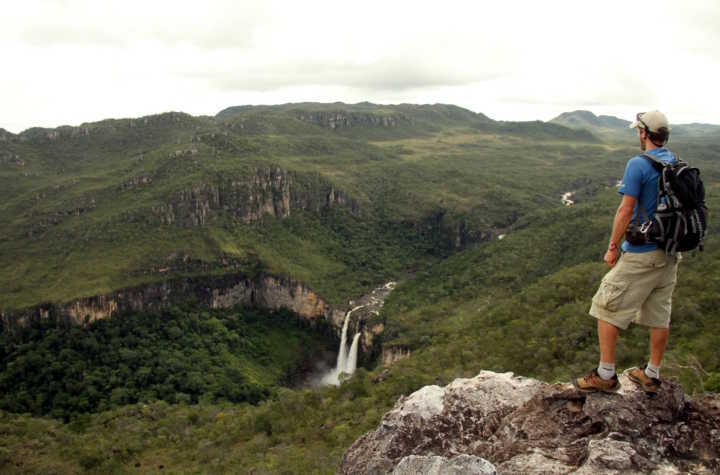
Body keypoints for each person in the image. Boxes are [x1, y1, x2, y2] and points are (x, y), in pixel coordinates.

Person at [574, 110, 680, 394]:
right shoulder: (675, 162)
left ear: (644, 133)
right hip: (670, 253)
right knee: (659, 313)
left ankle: (606, 375)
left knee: (605, 306)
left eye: (638, 130)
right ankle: (652, 374)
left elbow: (625, 210)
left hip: (642, 252)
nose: (637, 134)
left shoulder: (638, 164)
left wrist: (612, 248)